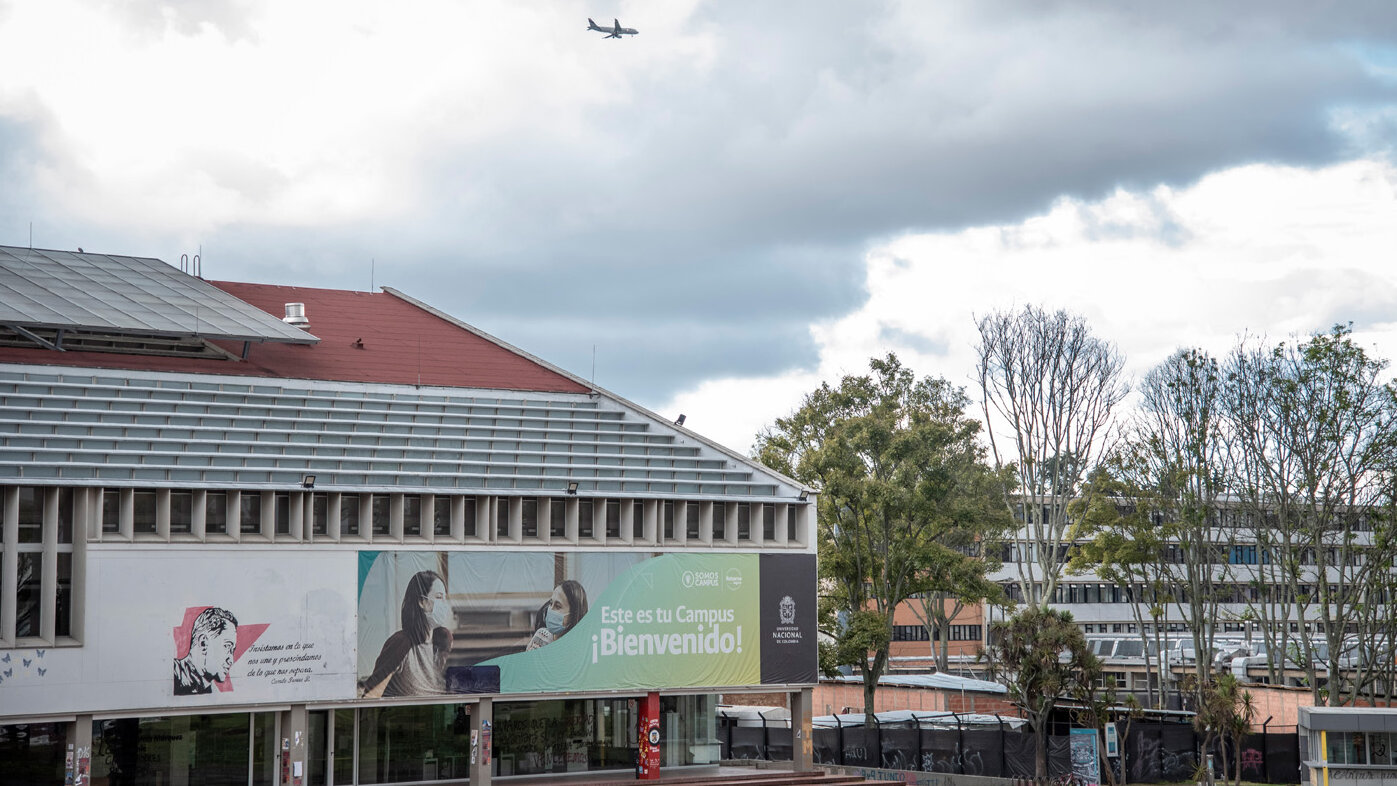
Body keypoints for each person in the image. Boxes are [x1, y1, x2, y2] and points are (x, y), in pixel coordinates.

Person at [360, 570, 454, 697]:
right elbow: (370, 695)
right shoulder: (401, 643)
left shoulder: (442, 641)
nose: (444, 604)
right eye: (438, 597)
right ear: (422, 602)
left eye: (445, 598)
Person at [173, 607, 238, 695]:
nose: (231, 660)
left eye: (232, 650)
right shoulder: (174, 675)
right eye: (227, 646)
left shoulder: (207, 690)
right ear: (203, 642)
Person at [526, 579, 588, 651]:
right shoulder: (541, 635)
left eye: (558, 606)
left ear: (573, 615)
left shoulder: (578, 649)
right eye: (551, 603)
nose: (550, 610)